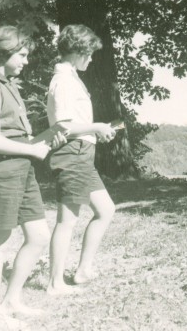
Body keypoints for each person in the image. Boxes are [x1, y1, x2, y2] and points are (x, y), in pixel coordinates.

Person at [0, 26, 67, 328]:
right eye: (22, 55)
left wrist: (47, 137)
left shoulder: (9, 84)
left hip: (21, 169)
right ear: (4, 52)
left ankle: (12, 299)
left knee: (38, 236)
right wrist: (35, 150)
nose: (26, 61)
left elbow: (18, 136)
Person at [46, 24, 116, 295]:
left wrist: (96, 131)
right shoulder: (62, 81)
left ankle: (83, 270)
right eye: (88, 53)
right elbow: (62, 126)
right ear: (76, 52)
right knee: (67, 220)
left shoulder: (71, 77)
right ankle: (55, 283)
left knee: (106, 209)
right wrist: (97, 127)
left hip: (82, 153)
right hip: (72, 153)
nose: (91, 58)